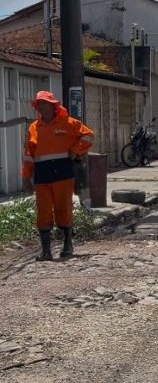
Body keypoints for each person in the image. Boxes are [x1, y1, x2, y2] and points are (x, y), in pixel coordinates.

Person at [21, 90, 95, 261]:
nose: (42, 107)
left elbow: (89, 136)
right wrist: (26, 176)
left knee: (64, 208)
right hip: (42, 174)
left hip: (63, 171)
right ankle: (46, 251)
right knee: (43, 211)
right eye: (39, 104)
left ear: (53, 106)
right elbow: (28, 154)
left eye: (45, 103)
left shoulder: (68, 123)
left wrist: (76, 150)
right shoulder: (34, 127)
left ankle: (68, 245)